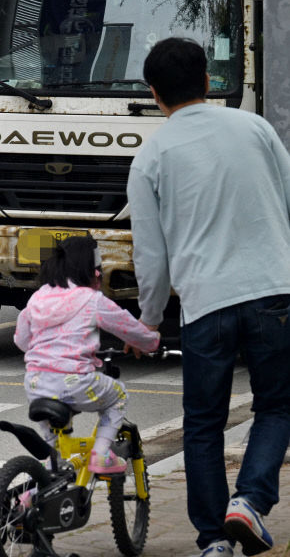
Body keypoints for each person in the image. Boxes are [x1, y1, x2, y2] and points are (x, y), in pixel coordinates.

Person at [127, 37, 290, 557]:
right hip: (273, 292)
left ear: (154, 93)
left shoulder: (150, 155)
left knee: (203, 424)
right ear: (208, 81)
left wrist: (148, 321)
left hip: (205, 305)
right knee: (278, 407)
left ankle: (212, 541)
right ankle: (250, 500)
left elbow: (150, 256)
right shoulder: (256, 128)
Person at [14, 235, 160, 476]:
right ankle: (101, 453)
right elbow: (129, 328)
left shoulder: (38, 296)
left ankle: (32, 495)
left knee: (53, 457)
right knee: (119, 395)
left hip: (35, 385)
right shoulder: (91, 300)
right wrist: (151, 341)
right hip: (74, 382)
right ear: (90, 271)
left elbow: (22, 341)